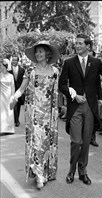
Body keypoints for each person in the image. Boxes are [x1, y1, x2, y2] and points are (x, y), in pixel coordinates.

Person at [58, 33, 102, 185]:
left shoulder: (96, 62)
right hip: (75, 106)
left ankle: (83, 171)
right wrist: (74, 95)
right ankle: (71, 170)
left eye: (80, 43)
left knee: (85, 142)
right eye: (75, 43)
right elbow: (62, 84)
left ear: (88, 46)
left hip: (90, 107)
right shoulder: (69, 62)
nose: (76, 46)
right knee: (76, 141)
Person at [10, 40, 60, 189]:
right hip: (34, 113)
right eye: (36, 51)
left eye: (41, 51)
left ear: (47, 54)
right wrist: (14, 97)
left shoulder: (55, 71)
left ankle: (44, 170)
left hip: (49, 114)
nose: (38, 54)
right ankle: (39, 175)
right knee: (36, 143)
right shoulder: (30, 70)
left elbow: (57, 93)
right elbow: (22, 87)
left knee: (46, 143)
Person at [9, 55, 25, 127]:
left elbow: (24, 80)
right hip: (11, 90)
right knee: (14, 105)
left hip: (19, 90)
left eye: (15, 60)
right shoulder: (9, 70)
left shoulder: (22, 70)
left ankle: (16, 119)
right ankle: (16, 121)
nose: (14, 61)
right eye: (13, 60)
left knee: (18, 106)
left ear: (18, 61)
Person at [0, 56, 15, 135]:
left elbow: (13, 87)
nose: (0, 66)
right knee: (2, 112)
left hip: (9, 96)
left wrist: (13, 96)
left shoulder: (11, 76)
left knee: (9, 111)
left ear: (5, 66)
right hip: (1, 96)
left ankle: (9, 129)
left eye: (1, 65)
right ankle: (2, 128)